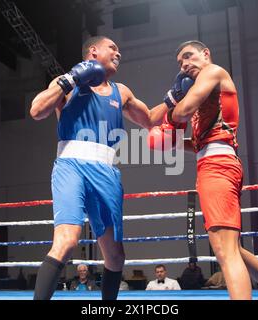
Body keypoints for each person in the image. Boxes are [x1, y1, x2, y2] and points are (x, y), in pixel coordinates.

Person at [149, 40, 258, 300]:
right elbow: (199, 139)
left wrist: (172, 105)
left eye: (189, 56)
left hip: (217, 167)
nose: (184, 65)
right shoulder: (205, 91)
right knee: (233, 248)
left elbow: (183, 111)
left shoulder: (212, 72)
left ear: (205, 54)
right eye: (180, 62)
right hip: (215, 161)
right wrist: (173, 142)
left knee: (224, 252)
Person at [30, 36, 169, 300]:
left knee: (116, 256)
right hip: (71, 165)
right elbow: (37, 111)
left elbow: (150, 119)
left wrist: (175, 98)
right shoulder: (67, 83)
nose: (119, 53)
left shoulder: (122, 91)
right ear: (93, 52)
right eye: (113, 48)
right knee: (67, 241)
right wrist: (69, 79)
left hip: (106, 171)